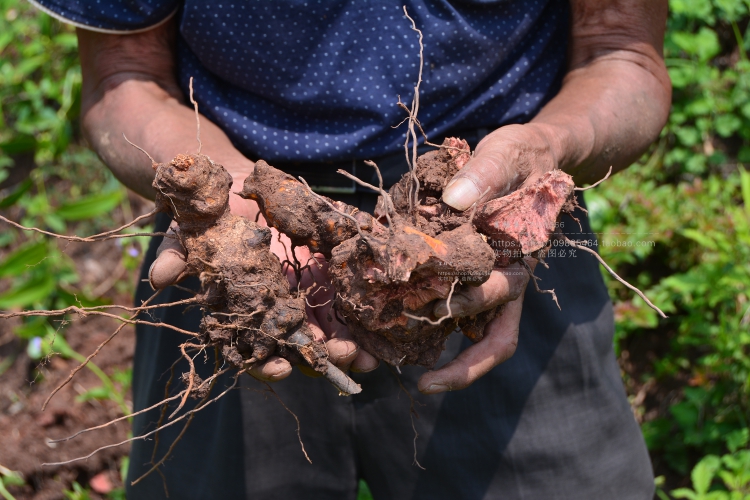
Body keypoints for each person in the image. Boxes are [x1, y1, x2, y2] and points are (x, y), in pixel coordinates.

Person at [29, 0, 671, 498]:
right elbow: (123, 74)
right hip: (236, 245)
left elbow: (623, 56)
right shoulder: (238, 219)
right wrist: (213, 197)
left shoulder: (496, 204)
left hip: (496, 219)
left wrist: (547, 154)